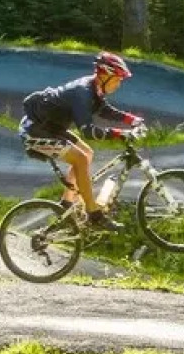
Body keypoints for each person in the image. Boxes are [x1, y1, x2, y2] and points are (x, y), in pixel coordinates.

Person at [18, 51, 147, 230]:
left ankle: (65, 205)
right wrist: (119, 133)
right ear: (104, 75)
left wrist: (131, 119)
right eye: (117, 79)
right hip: (35, 132)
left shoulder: (93, 87)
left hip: (51, 128)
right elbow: (88, 131)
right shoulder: (83, 92)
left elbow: (104, 109)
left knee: (87, 153)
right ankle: (94, 214)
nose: (119, 84)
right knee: (80, 158)